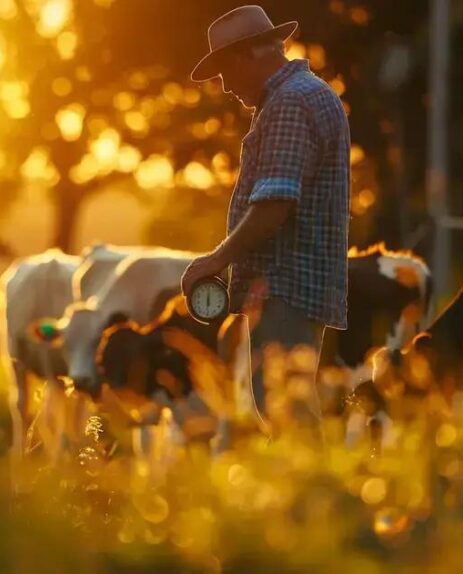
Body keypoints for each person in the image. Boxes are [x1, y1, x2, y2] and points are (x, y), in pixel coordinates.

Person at [180, 5, 351, 430]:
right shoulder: (306, 95)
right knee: (289, 407)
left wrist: (216, 259)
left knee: (286, 412)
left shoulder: (290, 104)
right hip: (299, 284)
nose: (225, 86)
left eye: (223, 72)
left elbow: (275, 203)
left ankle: (312, 496)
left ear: (245, 56)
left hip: (285, 285)